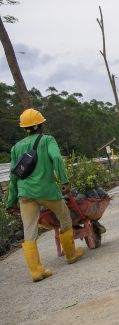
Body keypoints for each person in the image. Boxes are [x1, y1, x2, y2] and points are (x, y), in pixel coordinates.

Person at [6, 109, 85, 282]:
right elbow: (56, 158)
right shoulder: (47, 140)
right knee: (65, 217)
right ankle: (70, 255)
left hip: (25, 193)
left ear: (25, 128)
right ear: (40, 125)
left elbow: (13, 176)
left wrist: (11, 201)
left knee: (29, 230)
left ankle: (36, 271)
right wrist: (64, 181)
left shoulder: (16, 148)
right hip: (47, 191)